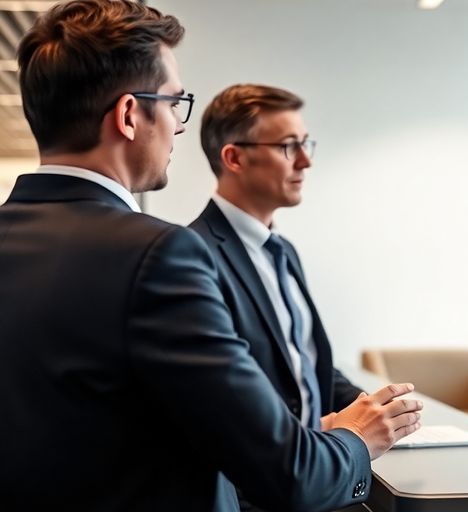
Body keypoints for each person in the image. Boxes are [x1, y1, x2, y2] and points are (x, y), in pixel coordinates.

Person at [0, 2, 421, 510]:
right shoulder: (158, 254)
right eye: (174, 103)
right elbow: (291, 475)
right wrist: (356, 437)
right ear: (131, 115)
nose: (178, 126)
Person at [188, 84, 368, 508]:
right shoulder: (194, 254)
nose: (306, 160)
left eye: (305, 143)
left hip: (320, 472)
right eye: (289, 146)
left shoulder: (283, 251)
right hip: (259, 490)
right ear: (234, 157)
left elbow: (299, 362)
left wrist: (372, 407)